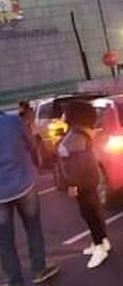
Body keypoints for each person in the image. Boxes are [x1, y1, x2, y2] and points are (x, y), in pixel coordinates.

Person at [0, 111, 60, 286]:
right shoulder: (13, 121)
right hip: (24, 183)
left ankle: (14, 280)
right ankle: (39, 270)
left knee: (4, 240)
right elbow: (32, 144)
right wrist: (35, 165)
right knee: (33, 228)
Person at [58, 101, 111, 269]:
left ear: (74, 116)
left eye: (65, 113)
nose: (62, 116)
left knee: (89, 213)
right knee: (92, 211)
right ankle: (102, 241)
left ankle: (99, 247)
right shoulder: (78, 133)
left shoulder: (77, 136)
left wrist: (73, 184)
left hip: (83, 181)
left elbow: (79, 164)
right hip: (87, 180)